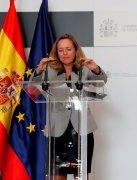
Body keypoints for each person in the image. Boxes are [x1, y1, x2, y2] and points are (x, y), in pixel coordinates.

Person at [33, 34, 107, 180]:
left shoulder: (84, 68)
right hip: (57, 130)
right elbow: (33, 86)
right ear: (56, 52)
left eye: (68, 49)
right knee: (58, 175)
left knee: (80, 174)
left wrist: (96, 69)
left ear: (75, 50)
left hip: (82, 128)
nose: (64, 53)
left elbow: (101, 82)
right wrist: (39, 70)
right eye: (60, 50)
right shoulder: (50, 69)